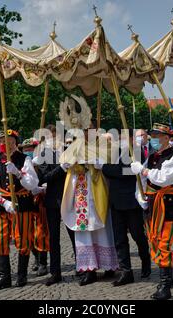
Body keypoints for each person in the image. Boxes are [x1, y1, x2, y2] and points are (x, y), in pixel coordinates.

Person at [59, 95, 119, 286]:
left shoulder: (102, 143)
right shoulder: (74, 144)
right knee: (83, 230)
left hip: (96, 189)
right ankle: (89, 269)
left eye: (88, 129)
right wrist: (70, 163)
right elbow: (65, 162)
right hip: (80, 191)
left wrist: (97, 162)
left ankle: (109, 266)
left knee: (102, 227)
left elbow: (111, 161)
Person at [131, 123, 173, 300]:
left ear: (167, 138)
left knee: (164, 242)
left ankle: (165, 284)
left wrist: (144, 170)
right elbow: (142, 180)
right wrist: (141, 196)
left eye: (157, 135)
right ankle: (164, 280)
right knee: (153, 240)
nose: (153, 138)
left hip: (167, 205)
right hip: (152, 203)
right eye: (152, 135)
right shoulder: (153, 156)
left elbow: (164, 179)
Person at [0, 129, 39, 290]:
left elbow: (32, 184)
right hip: (2, 207)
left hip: (22, 205)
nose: (4, 143)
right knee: (0, 240)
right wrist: (3, 201)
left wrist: (18, 173)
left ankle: (21, 275)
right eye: (2, 140)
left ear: (14, 142)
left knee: (22, 240)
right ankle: (4, 277)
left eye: (8, 140)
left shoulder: (24, 160)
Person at [102, 129, 151, 286]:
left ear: (130, 138)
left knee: (137, 235)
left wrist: (104, 168)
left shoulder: (137, 151)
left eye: (123, 137)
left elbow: (129, 172)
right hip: (116, 200)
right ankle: (126, 271)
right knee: (120, 238)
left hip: (131, 199)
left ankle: (146, 261)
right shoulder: (112, 152)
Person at [36, 125, 77, 286]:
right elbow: (44, 177)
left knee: (74, 234)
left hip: (70, 197)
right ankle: (55, 272)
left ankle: (81, 267)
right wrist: (61, 168)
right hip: (53, 199)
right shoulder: (44, 154)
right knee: (54, 238)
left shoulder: (69, 150)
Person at [20, 137, 50, 277]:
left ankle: (43, 262)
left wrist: (43, 187)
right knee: (28, 233)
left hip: (40, 202)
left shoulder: (42, 163)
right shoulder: (23, 164)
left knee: (41, 233)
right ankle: (36, 259)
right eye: (26, 150)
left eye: (31, 149)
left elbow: (47, 178)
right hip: (26, 202)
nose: (28, 151)